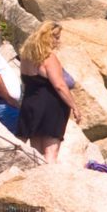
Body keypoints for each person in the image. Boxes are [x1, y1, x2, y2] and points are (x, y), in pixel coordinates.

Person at [15, 21, 76, 164]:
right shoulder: (48, 58)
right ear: (47, 36)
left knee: (36, 153)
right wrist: (74, 106)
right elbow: (59, 85)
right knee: (51, 153)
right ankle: (50, 184)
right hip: (50, 108)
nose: (57, 41)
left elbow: (26, 81)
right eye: (56, 37)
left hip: (31, 104)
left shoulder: (26, 56)